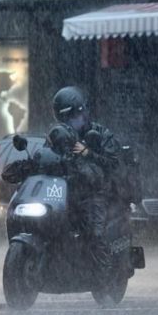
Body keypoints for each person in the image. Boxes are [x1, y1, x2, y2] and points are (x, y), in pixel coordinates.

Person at [48, 86, 125, 273]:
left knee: (94, 233)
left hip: (96, 191)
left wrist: (88, 153)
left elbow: (114, 164)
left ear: (82, 112)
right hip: (65, 191)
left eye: (74, 116)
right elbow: (47, 156)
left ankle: (105, 273)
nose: (72, 121)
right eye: (66, 118)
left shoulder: (101, 134)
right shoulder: (58, 135)